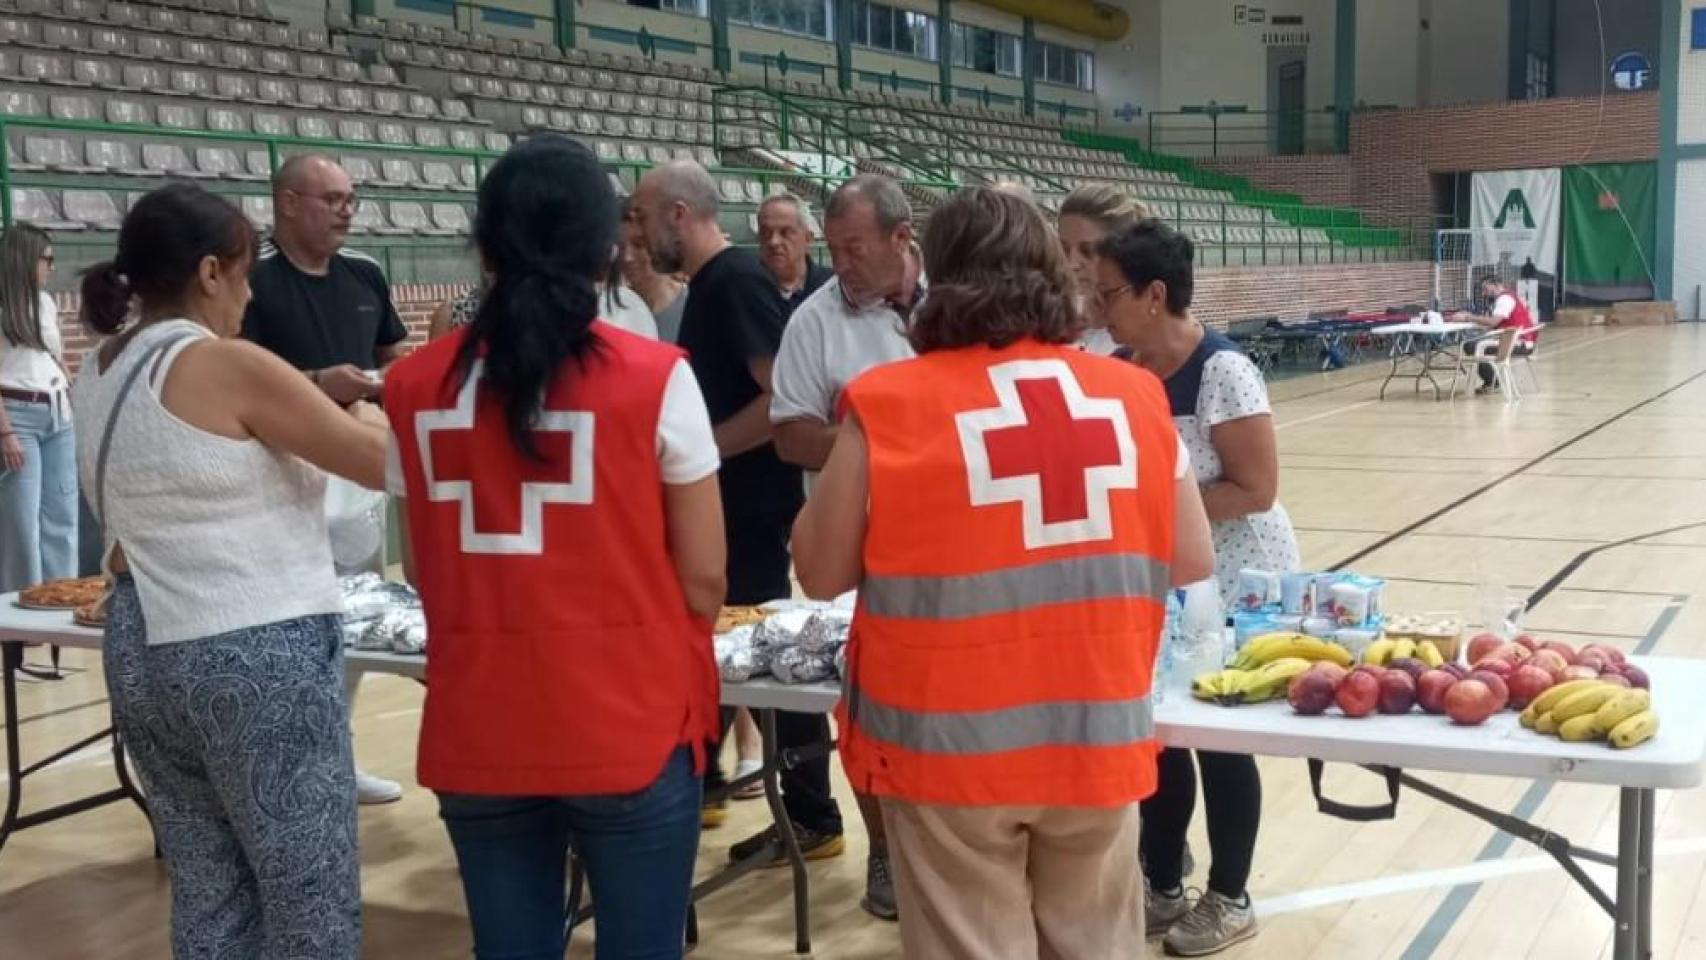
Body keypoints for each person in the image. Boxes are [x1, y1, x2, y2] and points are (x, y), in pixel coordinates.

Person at [792, 187, 1215, 960]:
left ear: (939, 276)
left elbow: (818, 573)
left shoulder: (888, 403)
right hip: (1097, 727)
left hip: (948, 748)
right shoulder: (1133, 397)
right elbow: (1192, 557)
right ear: (1055, 274)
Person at [382, 134, 725, 960]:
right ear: (609, 247)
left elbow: (423, 568)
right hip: (628, 725)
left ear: (485, 245)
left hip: (479, 725)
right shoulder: (656, 377)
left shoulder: (411, 387)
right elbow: (706, 578)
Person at [70, 183, 388, 958]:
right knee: (307, 890)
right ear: (211, 272)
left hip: (143, 644)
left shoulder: (103, 367)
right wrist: (369, 408)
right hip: (250, 650)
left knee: (210, 887)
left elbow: (207, 442)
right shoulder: (227, 363)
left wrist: (309, 393)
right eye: (244, 274)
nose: (249, 293)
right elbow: (386, 464)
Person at [1099, 218, 1301, 956]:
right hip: (1163, 577)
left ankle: (1230, 895)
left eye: (1110, 293)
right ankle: (1160, 884)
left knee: (1218, 736)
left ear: (1156, 294)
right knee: (1160, 736)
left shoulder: (1224, 370)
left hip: (1236, 576)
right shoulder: (1120, 369)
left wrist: (1154, 514)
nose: (1099, 307)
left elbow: (1256, 487)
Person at [629, 161, 825, 840]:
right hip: (728, 503)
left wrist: (699, 453)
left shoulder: (735, 281)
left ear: (679, 215)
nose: (640, 232)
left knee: (770, 657)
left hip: (747, 506)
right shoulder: (718, 283)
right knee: (732, 651)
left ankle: (810, 811)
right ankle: (732, 785)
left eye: (645, 216)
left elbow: (779, 398)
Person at [768, 174, 921, 920]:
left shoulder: (962, 302)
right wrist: (880, 439)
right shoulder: (813, 321)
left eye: (853, 248)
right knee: (865, 709)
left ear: (902, 239)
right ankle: (886, 852)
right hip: (858, 550)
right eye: (832, 249)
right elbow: (792, 434)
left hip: (962, 542)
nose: (842, 264)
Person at [241, 153, 408, 805]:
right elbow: (240, 376)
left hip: (360, 468)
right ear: (286, 203)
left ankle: (336, 756)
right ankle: (284, 769)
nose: (346, 209)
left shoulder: (365, 273)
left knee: (356, 622)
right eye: (331, 198)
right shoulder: (253, 281)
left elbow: (392, 352)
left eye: (351, 198)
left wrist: (390, 380)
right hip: (282, 477)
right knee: (293, 627)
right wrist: (317, 386)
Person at [0, 223, 76, 594]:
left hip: (57, 410)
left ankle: (61, 598)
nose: (52, 267)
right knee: (21, 519)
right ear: (24, 259)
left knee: (61, 514)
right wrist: (5, 431)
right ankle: (21, 609)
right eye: (47, 259)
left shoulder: (45, 303)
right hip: (17, 414)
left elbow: (54, 358)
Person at [1057, 185, 1148, 357]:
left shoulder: (1147, 343)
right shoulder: (1046, 328)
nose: (1071, 264)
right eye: (1064, 249)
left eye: (1088, 251)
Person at [1454, 276, 1538, 393]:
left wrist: (1467, 317)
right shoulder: (1511, 295)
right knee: (1475, 343)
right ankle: (1492, 381)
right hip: (1522, 341)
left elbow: (1493, 322)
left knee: (1470, 346)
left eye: (1486, 289)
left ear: (1497, 285)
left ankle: (1491, 382)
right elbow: (1497, 323)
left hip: (1517, 343)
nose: (1484, 294)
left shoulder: (1504, 300)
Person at [618, 202, 688, 342]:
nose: (627, 257)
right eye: (620, 246)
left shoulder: (693, 307)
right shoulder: (612, 312)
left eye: (639, 245)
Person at [756, 193, 833, 312]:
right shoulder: (744, 288)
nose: (773, 242)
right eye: (766, 233)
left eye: (785, 232)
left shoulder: (832, 287)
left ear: (808, 238)